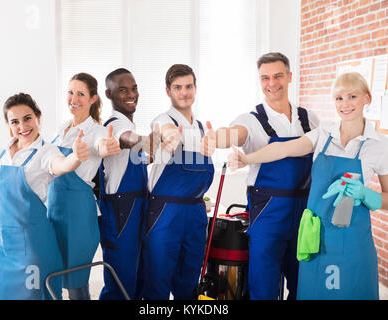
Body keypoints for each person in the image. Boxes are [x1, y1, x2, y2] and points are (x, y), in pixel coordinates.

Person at [229, 72, 388, 300]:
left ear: (367, 98)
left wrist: (366, 194)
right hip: (314, 235)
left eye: (352, 97)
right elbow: (284, 149)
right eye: (339, 98)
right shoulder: (323, 134)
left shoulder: (381, 145)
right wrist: (247, 159)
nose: (345, 105)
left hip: (352, 238)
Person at [201, 52, 319, 299]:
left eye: (277, 76)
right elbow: (235, 134)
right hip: (268, 212)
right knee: (263, 285)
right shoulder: (251, 120)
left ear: (289, 76)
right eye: (265, 78)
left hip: (305, 211)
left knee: (304, 283)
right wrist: (216, 139)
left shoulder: (310, 119)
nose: (271, 83)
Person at [0, 93, 89, 300]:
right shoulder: (1, 151)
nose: (22, 126)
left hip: (31, 250)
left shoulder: (45, 152)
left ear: (38, 117)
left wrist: (75, 157)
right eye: (15, 121)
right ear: (9, 125)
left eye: (27, 118)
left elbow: (60, 165)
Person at [140, 64, 215, 300]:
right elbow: (165, 130)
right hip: (165, 213)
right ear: (168, 91)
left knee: (189, 280)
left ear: (195, 88)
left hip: (194, 212)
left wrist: (201, 200)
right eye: (178, 87)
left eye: (189, 86)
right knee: (158, 279)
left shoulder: (203, 129)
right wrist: (171, 137)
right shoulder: (163, 120)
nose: (184, 92)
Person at [47, 72, 120, 300]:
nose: (73, 98)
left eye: (81, 94)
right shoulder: (61, 129)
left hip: (78, 214)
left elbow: (103, 145)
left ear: (93, 99)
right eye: (70, 92)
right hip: (53, 211)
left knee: (76, 281)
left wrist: (107, 147)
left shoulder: (97, 132)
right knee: (52, 275)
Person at [96, 68, 160, 300]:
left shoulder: (130, 125)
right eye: (122, 90)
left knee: (140, 277)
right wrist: (144, 141)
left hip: (138, 208)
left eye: (134, 88)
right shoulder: (115, 124)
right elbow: (126, 140)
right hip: (120, 212)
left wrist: (155, 154)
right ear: (109, 94)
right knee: (121, 282)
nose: (131, 94)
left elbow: (138, 157)